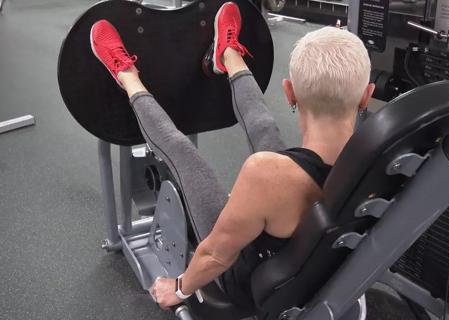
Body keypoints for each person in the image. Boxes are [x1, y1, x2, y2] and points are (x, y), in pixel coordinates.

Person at [89, 1, 374, 310]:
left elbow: (215, 255)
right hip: (320, 264)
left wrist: (179, 288)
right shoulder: (380, 163)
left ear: (289, 92)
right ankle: (226, 53)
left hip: (250, 282)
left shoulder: (267, 175)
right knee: (264, 128)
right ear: (366, 95)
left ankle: (125, 73)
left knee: (182, 152)